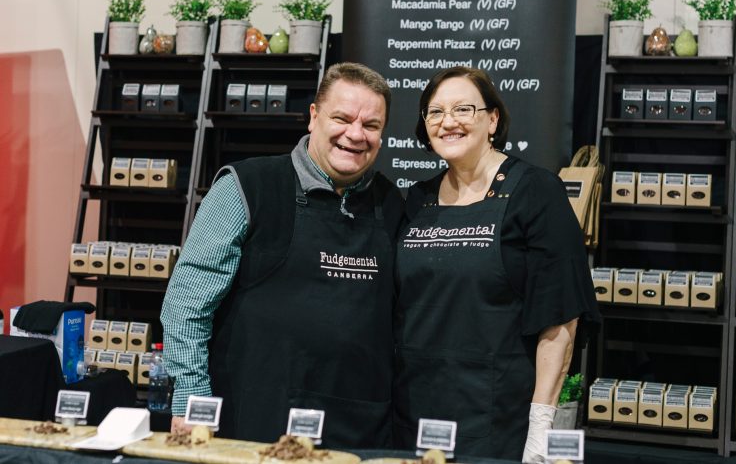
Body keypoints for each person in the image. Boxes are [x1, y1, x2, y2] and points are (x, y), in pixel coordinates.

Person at [161, 62, 404, 447]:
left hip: (358, 430)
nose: (355, 135)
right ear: (314, 117)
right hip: (252, 423)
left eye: (371, 125)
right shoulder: (247, 186)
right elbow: (186, 304)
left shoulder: (392, 205)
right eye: (342, 118)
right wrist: (192, 398)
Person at [393, 67, 601, 462]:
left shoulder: (536, 192)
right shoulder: (418, 198)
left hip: (495, 417)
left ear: (493, 119)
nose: (448, 121)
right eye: (434, 112)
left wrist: (541, 427)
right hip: (416, 411)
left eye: (463, 109)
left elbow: (560, 319)